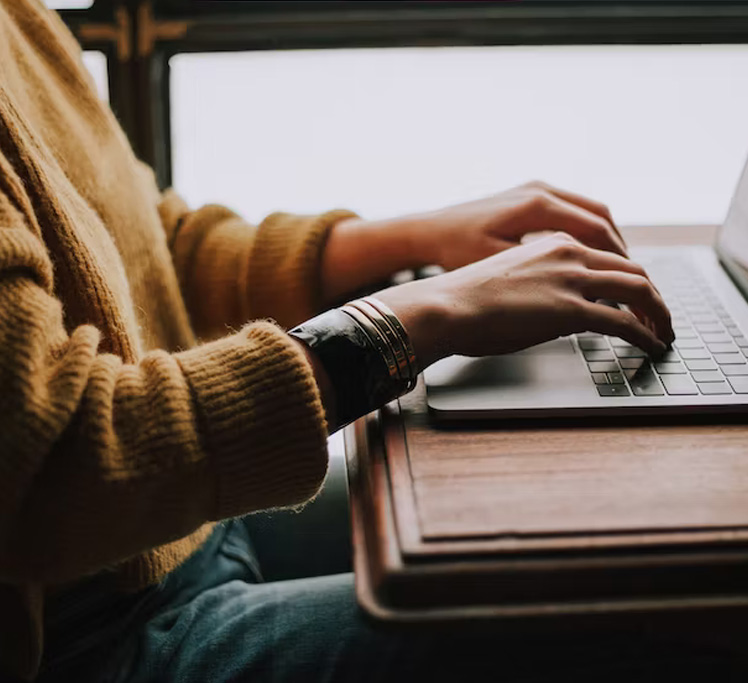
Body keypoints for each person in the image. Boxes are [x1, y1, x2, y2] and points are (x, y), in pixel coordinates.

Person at [3, 1, 745, 681]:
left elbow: (151, 248)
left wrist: (418, 238)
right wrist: (414, 316)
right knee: (632, 620)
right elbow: (57, 468)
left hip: (175, 530)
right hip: (85, 637)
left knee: (586, 536)